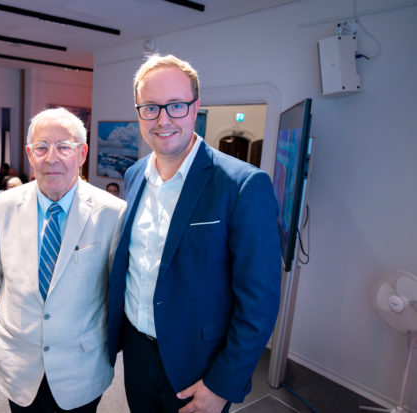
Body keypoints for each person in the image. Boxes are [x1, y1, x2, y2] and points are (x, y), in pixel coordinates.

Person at [106, 54, 282, 413]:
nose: (163, 120)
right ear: (139, 112)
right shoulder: (135, 175)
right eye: (150, 108)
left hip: (199, 364)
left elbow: (259, 303)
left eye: (176, 105)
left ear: (195, 107)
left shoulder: (243, 185)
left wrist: (223, 384)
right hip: (136, 353)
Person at [0, 107, 126, 412]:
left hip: (81, 366)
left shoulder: (112, 212)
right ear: (29, 154)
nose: (52, 158)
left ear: (82, 153)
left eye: (64, 147)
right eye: (41, 147)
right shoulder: (0, 207)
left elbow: (113, 292)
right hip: (20, 363)